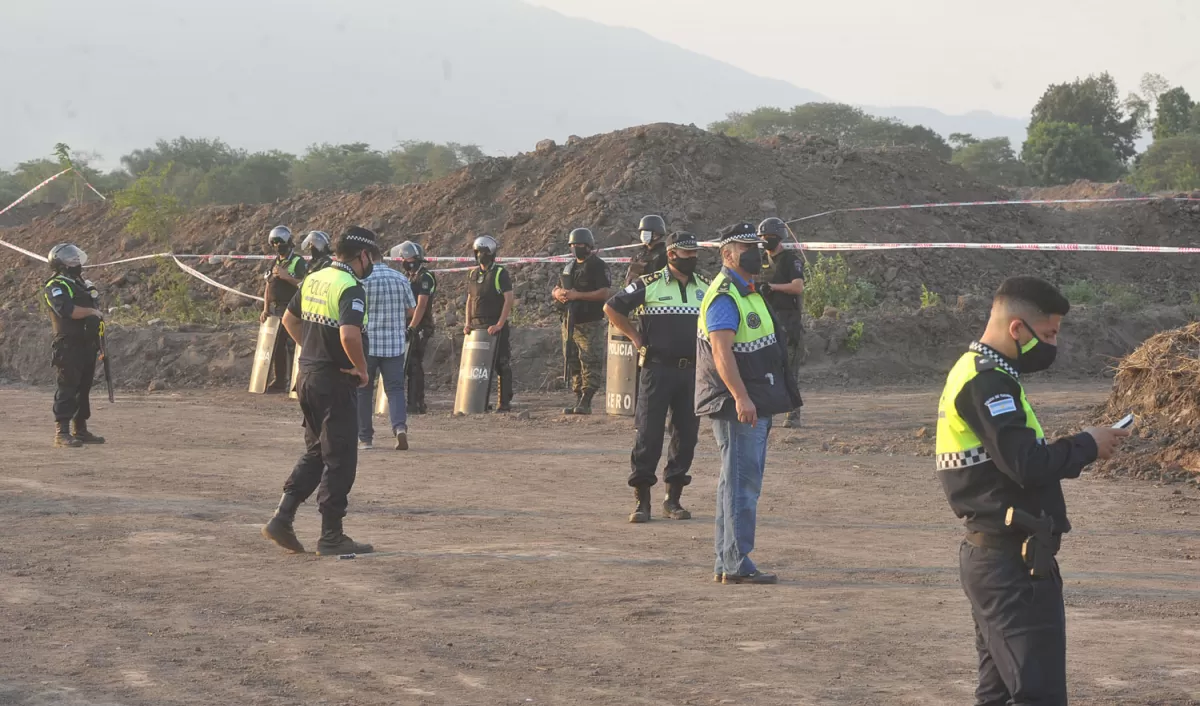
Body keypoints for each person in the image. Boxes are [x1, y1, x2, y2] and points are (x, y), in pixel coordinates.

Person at [936, 276, 1129, 705]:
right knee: (1037, 694)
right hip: (1010, 565)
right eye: (1048, 334)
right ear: (1016, 328)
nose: (1053, 345)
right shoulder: (986, 382)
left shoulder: (987, 374)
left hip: (1003, 557)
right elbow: (1025, 464)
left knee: (999, 694)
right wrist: (1087, 444)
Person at [262, 226, 380, 556]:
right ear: (363, 256)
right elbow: (350, 336)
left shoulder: (315, 278)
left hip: (308, 377)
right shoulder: (350, 287)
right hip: (335, 383)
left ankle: (282, 517)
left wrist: (313, 352)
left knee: (316, 451)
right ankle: (331, 535)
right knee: (340, 456)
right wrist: (361, 368)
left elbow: (289, 320)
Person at [696, 223, 801, 585]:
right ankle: (735, 562)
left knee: (734, 483)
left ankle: (727, 561)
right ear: (727, 254)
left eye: (755, 245)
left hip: (753, 400)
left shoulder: (748, 291)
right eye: (745, 247)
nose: (754, 252)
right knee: (742, 484)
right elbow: (721, 352)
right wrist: (741, 397)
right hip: (737, 404)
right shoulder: (725, 295)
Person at [606, 231, 707, 522]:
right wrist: (636, 338)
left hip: (692, 371)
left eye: (695, 253)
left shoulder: (706, 286)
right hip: (657, 369)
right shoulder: (648, 284)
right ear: (672, 255)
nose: (694, 258)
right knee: (648, 434)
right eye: (687, 254)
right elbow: (611, 307)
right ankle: (642, 501)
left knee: (686, 436)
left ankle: (673, 499)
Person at [43, 243, 107, 448]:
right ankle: (61, 433)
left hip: (87, 343)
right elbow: (68, 311)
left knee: (84, 387)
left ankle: (80, 429)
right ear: (60, 263)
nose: (76, 262)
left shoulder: (78, 282)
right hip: (68, 345)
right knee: (68, 386)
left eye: (76, 258)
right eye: (71, 259)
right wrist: (91, 312)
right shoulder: (55, 286)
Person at [357, 247, 416, 451]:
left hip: (368, 343)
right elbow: (411, 310)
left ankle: (365, 438)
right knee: (396, 389)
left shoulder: (363, 281)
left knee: (363, 390)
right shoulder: (400, 278)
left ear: (366, 258)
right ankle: (399, 428)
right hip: (394, 343)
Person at [554, 227, 611, 414]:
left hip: (590, 322)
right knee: (572, 360)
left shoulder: (597, 265)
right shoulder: (569, 266)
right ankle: (578, 398)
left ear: (588, 246)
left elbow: (604, 292)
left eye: (579, 245)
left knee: (590, 361)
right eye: (572, 245)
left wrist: (578, 295)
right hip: (570, 321)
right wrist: (559, 294)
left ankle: (587, 400)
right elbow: (556, 287)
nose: (575, 248)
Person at [756, 217, 806, 428]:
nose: (764, 241)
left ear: (778, 237)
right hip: (764, 318)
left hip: (787, 320)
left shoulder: (790, 260)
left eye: (768, 237)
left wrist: (773, 287)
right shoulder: (760, 259)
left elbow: (798, 287)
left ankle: (793, 413)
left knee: (788, 367)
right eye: (762, 238)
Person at [463, 235, 515, 412]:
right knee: (477, 368)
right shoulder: (472, 274)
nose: (480, 256)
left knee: (502, 364)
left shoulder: (500, 273)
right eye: (477, 252)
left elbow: (508, 299)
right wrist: (467, 323)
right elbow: (470, 300)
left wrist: (500, 324)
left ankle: (504, 402)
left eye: (483, 252)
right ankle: (478, 402)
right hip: (477, 328)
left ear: (491, 253)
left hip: (494, 327)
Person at [260, 225, 308, 392]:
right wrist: (265, 308)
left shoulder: (298, 262)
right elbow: (268, 286)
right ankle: (280, 381)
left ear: (288, 242)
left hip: (292, 309)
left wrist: (287, 277)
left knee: (293, 346)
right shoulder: (275, 262)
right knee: (277, 346)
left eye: (279, 242)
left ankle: (296, 381)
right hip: (275, 311)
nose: (277, 246)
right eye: (273, 243)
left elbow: (305, 284)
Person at [394, 241, 437, 415]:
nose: (403, 260)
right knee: (407, 363)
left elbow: (422, 305)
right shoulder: (409, 277)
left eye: (406, 257)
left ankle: (416, 403)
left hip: (420, 325)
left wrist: (413, 327)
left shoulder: (425, 277)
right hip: (407, 324)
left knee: (414, 363)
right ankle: (413, 402)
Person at [623, 214, 669, 285]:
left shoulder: (665, 253)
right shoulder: (641, 255)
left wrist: (645, 269)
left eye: (646, 231)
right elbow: (628, 286)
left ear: (656, 235)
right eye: (642, 232)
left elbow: (664, 279)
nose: (643, 235)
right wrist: (631, 273)